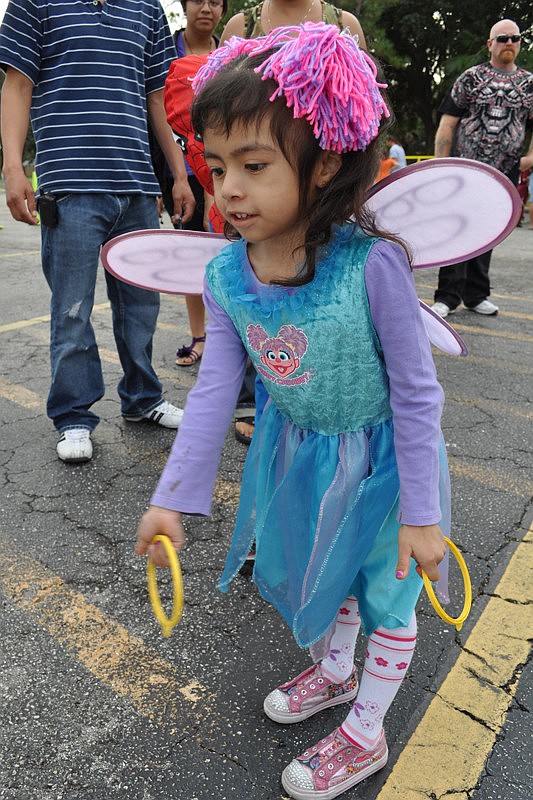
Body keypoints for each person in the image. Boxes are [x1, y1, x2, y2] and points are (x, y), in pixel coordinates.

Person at [136, 24, 449, 799]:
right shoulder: (226, 276)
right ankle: (337, 673)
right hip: (298, 452)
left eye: (253, 165)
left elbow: (416, 392)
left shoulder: (370, 264)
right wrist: (172, 496)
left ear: (326, 164)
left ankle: (366, 732)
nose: (228, 189)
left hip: (381, 465)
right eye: (214, 167)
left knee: (387, 593)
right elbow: (214, 390)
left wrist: (421, 508)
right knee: (329, 575)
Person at [0, 0, 196, 463]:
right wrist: (12, 166)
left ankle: (143, 398)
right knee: (72, 310)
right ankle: (72, 415)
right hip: (70, 185)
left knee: (141, 307)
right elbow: (17, 84)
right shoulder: (35, 3)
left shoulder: (146, 9)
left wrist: (179, 175)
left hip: (137, 186)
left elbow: (156, 98)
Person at [221, 0, 366, 445]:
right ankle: (272, 416)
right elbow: (223, 118)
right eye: (216, 172)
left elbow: (359, 118)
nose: (225, 188)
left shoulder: (342, 24)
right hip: (265, 225)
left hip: (320, 217)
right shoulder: (241, 23)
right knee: (264, 327)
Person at [431, 19, 533, 319]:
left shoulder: (529, 84)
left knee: (489, 230)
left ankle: (476, 294)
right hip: (466, 170)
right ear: (490, 44)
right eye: (502, 38)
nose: (509, 43)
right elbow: (447, 123)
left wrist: (530, 156)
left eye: (515, 38)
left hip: (504, 172)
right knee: (457, 227)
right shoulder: (471, 78)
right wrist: (440, 163)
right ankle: (447, 296)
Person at [152, 0, 227, 368]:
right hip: (178, 173)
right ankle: (199, 336)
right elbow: (154, 112)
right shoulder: (165, 48)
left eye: (216, 2)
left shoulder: (230, 53)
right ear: (185, 6)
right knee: (191, 250)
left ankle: (228, 337)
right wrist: (157, 180)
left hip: (222, 171)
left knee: (224, 249)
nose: (207, 8)